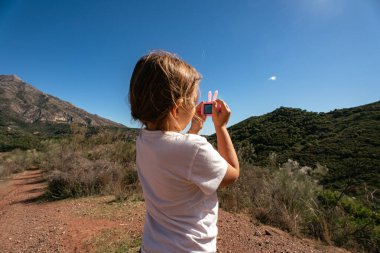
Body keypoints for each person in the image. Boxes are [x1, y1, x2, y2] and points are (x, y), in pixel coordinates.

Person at [128, 50, 239, 253]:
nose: (196, 105)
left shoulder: (143, 141)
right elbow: (232, 174)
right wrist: (221, 127)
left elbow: (174, 151)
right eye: (193, 99)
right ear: (177, 108)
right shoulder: (195, 149)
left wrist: (194, 129)